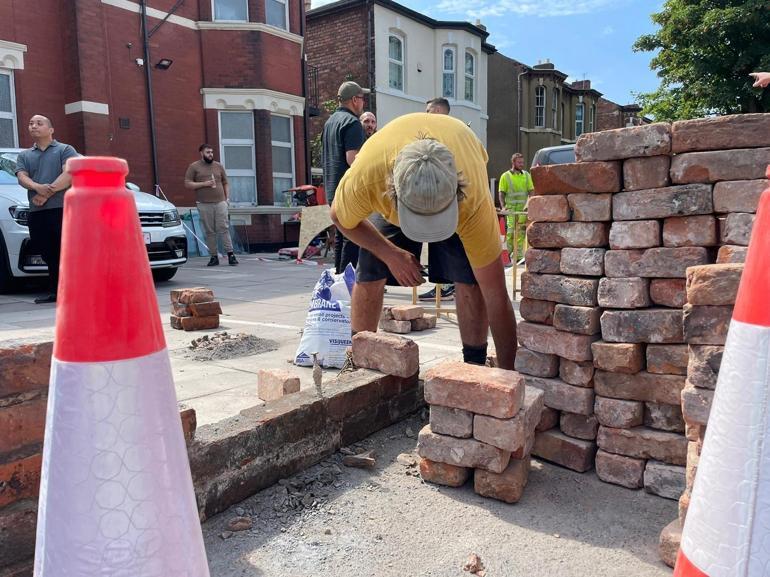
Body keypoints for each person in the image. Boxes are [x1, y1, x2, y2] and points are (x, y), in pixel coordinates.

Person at [330, 112, 517, 369]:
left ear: (457, 192)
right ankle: (358, 363)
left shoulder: (473, 200)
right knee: (371, 264)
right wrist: (391, 254)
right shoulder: (368, 177)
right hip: (387, 173)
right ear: (391, 192)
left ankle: (473, 366)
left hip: (461, 170)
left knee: (471, 280)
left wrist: (508, 379)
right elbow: (339, 218)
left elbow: (497, 297)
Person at [15, 115, 79, 304]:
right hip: (37, 212)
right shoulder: (25, 155)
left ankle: (72, 291)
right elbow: (21, 176)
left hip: (61, 209)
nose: (33, 126)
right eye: (31, 123)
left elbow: (69, 173)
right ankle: (56, 291)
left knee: (65, 251)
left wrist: (46, 193)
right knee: (46, 252)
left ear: (51, 130)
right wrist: (36, 187)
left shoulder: (65, 150)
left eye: (39, 123)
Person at [322, 81, 368, 273]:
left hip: (332, 190)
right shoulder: (352, 123)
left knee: (342, 236)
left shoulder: (330, 122)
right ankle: (349, 286)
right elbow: (353, 159)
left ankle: (339, 281)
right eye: (362, 98)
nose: (363, 103)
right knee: (353, 238)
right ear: (355, 100)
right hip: (348, 190)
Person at [419, 97, 455, 301]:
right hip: (444, 195)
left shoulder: (444, 135)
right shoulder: (452, 133)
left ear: (439, 112)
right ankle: (448, 284)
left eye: (429, 111)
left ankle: (445, 286)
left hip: (443, 196)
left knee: (442, 240)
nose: (426, 115)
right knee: (442, 241)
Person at [184, 144, 238, 266]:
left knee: (223, 228)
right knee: (210, 231)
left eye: (212, 152)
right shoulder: (194, 167)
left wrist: (227, 198)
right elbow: (187, 184)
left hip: (220, 202)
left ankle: (231, 255)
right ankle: (214, 256)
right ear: (201, 153)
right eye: (208, 152)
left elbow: (225, 182)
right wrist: (204, 184)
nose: (210, 154)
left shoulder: (218, 166)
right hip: (204, 204)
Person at [498, 153, 534, 263]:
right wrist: (503, 206)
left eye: (522, 162)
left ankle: (518, 257)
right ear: (513, 162)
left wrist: (530, 204)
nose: (522, 164)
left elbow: (531, 191)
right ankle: (507, 255)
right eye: (519, 162)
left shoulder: (527, 175)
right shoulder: (505, 176)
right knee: (510, 232)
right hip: (511, 209)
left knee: (521, 232)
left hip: (523, 210)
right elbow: (501, 192)